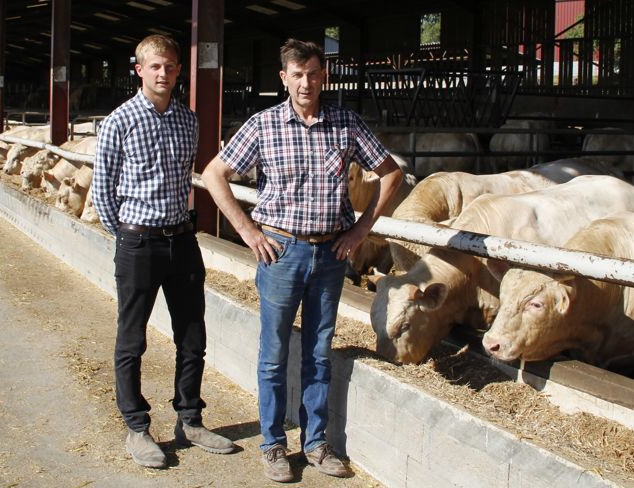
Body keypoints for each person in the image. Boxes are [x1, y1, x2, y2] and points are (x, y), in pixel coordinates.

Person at [201, 38, 402, 483]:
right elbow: (214, 174)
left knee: (318, 351)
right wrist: (248, 231)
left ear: (323, 74)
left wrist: (362, 228)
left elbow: (392, 174)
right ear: (284, 78)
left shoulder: (345, 124)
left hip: (331, 252)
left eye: (313, 73)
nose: (306, 82)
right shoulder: (264, 124)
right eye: (297, 74)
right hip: (280, 251)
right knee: (273, 352)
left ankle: (315, 443)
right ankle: (273, 444)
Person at [90, 34, 236, 469]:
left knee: (193, 335)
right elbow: (102, 191)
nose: (163, 73)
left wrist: (174, 231)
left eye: (170, 66)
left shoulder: (187, 121)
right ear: (139, 69)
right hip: (139, 242)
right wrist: (129, 236)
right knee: (131, 338)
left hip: (182, 240)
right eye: (155, 66)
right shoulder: (118, 121)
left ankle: (189, 419)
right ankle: (137, 427)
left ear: (178, 72)